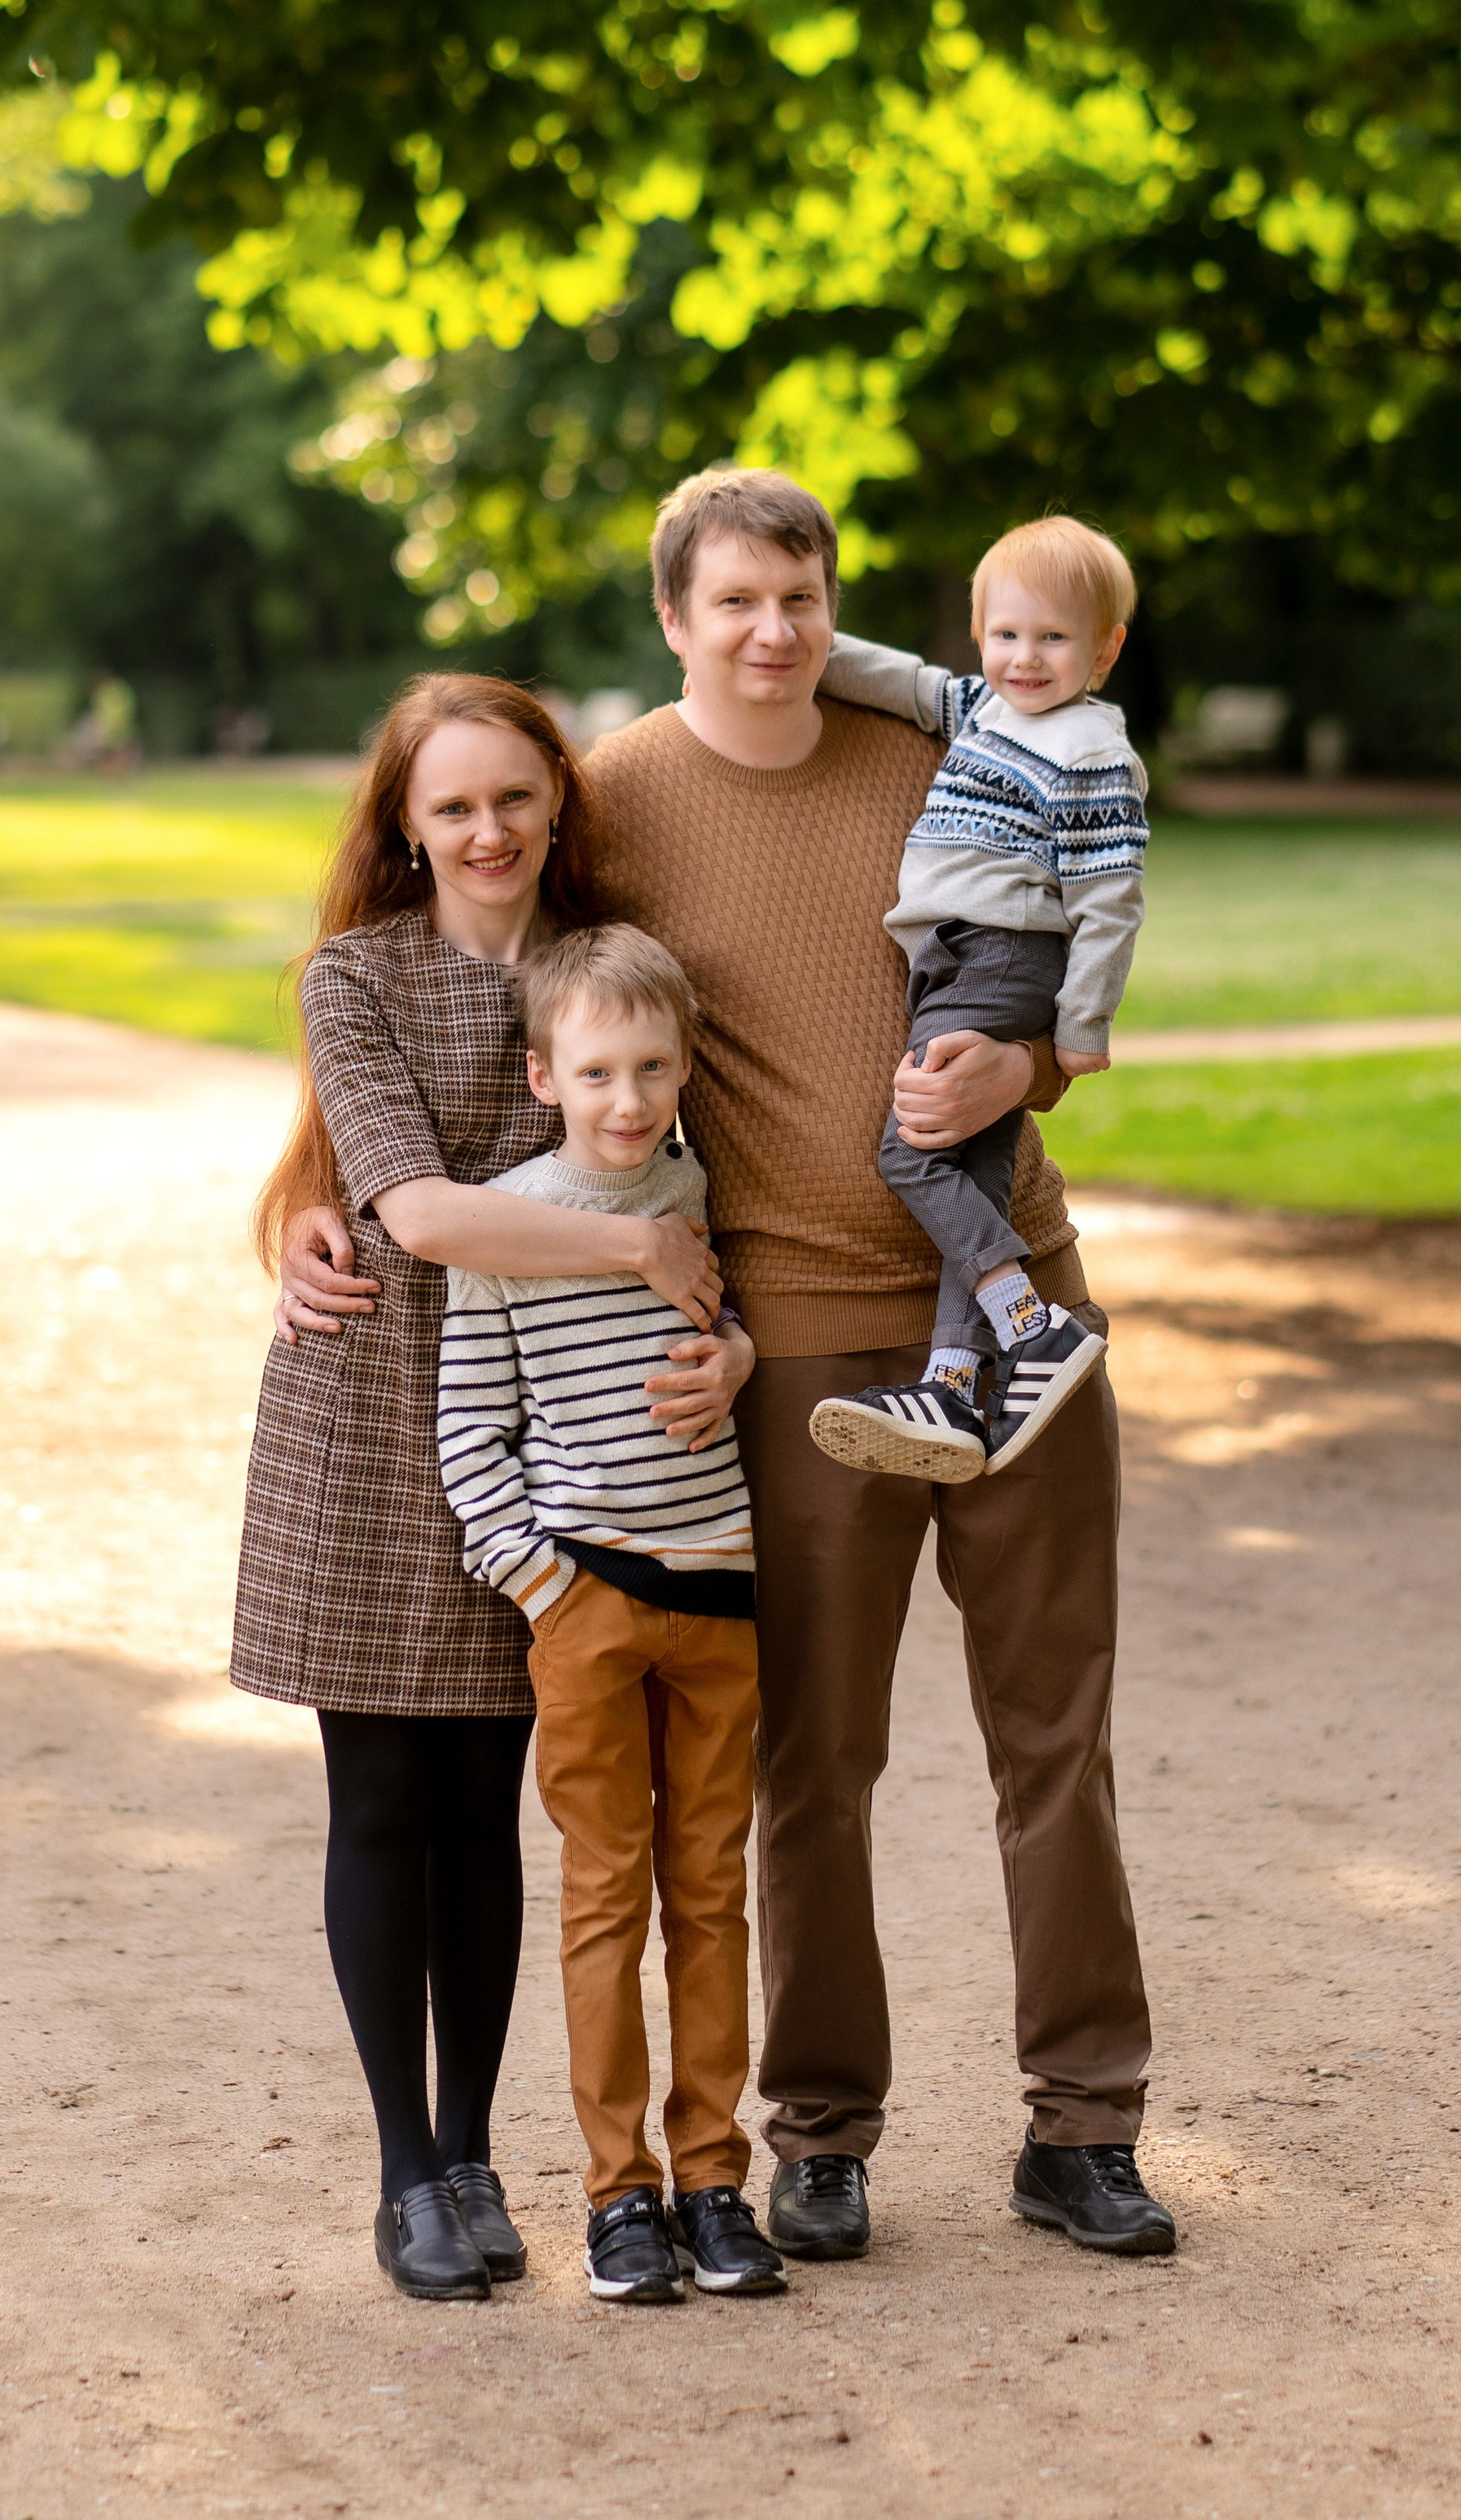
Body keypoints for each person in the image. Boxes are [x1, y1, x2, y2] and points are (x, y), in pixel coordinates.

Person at [282, 469, 1174, 2268]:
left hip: (1013, 1312)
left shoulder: (941, 750)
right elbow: (499, 1018)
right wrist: (306, 1191)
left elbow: (1058, 941)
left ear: (829, 602)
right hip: (797, 1346)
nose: (771, 631)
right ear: (673, 616)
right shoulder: (607, 804)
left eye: (799, 595)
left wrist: (1034, 1074)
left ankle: (1081, 2126)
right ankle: (820, 2136)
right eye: (734, 601)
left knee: (1053, 1739)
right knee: (808, 1768)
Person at [232, 676, 752, 2305]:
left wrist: (721, 1337)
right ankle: (406, 2170)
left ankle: (475, 2151)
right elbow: (418, 1214)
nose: (486, 830)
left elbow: (692, 1181)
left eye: (514, 798)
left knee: (486, 1812)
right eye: (451, 805)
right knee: (381, 1802)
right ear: (404, 822)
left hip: (568, 1447)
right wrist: (629, 1251)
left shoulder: (606, 968)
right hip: (378, 1418)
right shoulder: (352, 976)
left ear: (555, 803)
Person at [437, 923, 783, 2306]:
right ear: (544, 1078)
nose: (628, 1100)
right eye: (597, 1073)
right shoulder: (506, 1227)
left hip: (724, 1599)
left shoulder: (703, 1189)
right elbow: (473, 1434)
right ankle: (618, 2196)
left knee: (712, 1899)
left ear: (687, 1067)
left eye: (652, 1068)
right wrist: (545, 1584)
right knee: (603, 1901)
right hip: (587, 1601)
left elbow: (742, 1326)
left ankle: (713, 2182)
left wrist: (744, 1354)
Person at [807, 515, 1149, 1484]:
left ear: (1104, 649)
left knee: (909, 1149)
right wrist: (800, 643)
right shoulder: (984, 711)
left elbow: (1110, 902)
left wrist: (1080, 1029)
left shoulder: (1090, 753)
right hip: (958, 963)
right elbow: (901, 682)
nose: (1024, 657)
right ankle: (954, 1386)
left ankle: (1030, 1324)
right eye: (1005, 635)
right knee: (973, 1168)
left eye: (1052, 638)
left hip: (999, 960)